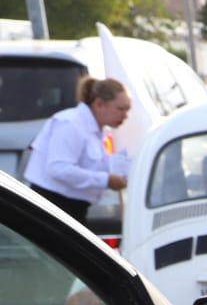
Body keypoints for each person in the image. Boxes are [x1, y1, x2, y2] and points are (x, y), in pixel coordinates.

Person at [23, 76, 131, 224]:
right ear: (99, 104)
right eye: (120, 109)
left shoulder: (98, 130)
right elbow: (58, 169)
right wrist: (106, 180)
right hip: (53, 207)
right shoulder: (71, 124)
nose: (125, 115)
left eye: (127, 109)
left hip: (71, 208)